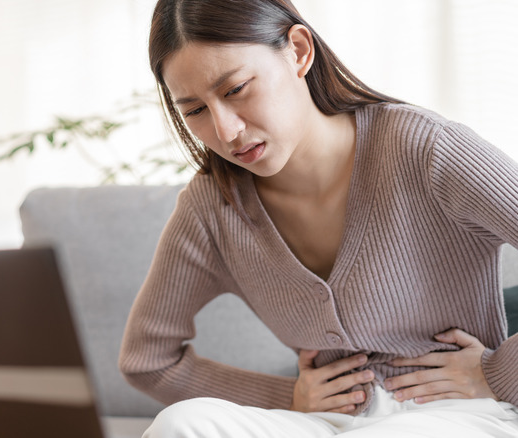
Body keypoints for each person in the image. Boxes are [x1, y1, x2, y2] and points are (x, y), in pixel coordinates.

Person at [117, 0, 518, 436]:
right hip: (327, 424)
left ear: (299, 51)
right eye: (195, 110)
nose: (226, 130)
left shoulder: (427, 149)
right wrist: (287, 397)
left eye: (236, 89)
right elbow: (146, 360)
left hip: (460, 412)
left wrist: (496, 372)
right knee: (180, 424)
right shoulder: (212, 209)